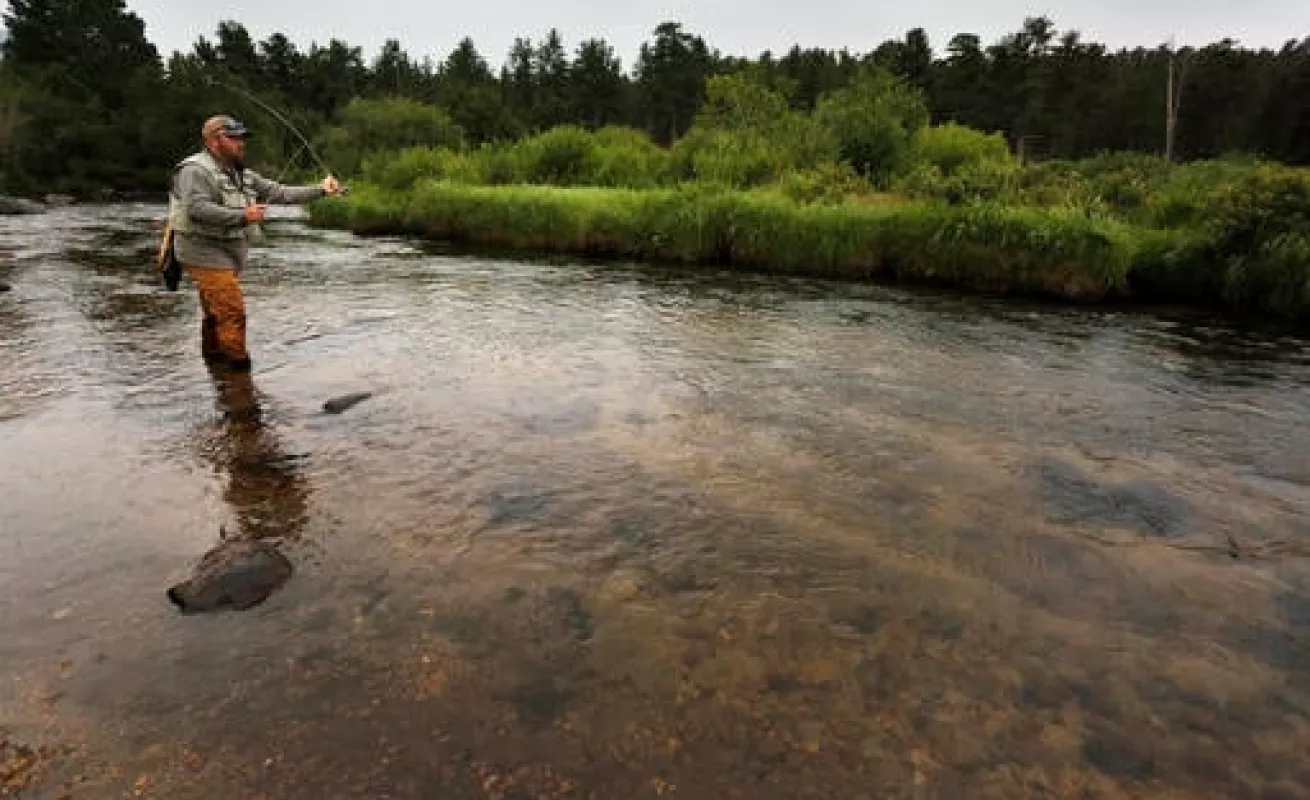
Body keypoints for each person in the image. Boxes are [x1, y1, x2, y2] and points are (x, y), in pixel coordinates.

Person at [163, 114, 342, 371]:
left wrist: (321, 190)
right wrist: (243, 215)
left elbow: (279, 193)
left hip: (228, 252)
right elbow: (196, 209)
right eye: (234, 137)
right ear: (214, 141)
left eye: (242, 137)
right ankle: (239, 376)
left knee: (216, 313)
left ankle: (214, 365)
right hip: (201, 251)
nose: (241, 143)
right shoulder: (194, 170)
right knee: (232, 312)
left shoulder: (242, 173)